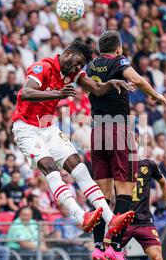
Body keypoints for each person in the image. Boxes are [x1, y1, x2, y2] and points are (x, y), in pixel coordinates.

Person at [10, 39, 135, 242]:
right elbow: (25, 93)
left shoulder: (72, 74)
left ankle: (110, 219)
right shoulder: (43, 66)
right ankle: (80, 216)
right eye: (77, 63)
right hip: (26, 128)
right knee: (50, 166)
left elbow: (95, 88)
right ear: (68, 53)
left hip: (48, 126)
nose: (77, 68)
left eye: (81, 66)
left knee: (80, 168)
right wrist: (57, 94)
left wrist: (110, 85)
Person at [85, 30, 166, 260]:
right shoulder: (118, 61)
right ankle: (114, 246)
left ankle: (99, 247)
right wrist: (155, 95)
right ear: (119, 48)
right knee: (124, 189)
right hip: (117, 130)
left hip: (96, 131)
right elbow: (139, 80)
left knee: (102, 195)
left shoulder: (91, 66)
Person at [86, 158, 166, 260]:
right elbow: (105, 188)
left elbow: (164, 183)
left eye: (133, 139)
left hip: (144, 222)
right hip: (121, 221)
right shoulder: (116, 164)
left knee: (157, 258)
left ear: (137, 141)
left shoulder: (149, 164)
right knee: (102, 259)